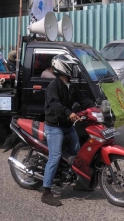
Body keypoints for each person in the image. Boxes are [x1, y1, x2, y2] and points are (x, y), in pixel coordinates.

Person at [41, 55, 82, 206]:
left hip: (68, 125)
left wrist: (97, 105)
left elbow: (82, 99)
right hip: (54, 126)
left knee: (78, 151)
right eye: (71, 67)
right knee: (55, 156)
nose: (74, 70)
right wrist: (68, 113)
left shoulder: (70, 85)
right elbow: (54, 104)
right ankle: (46, 192)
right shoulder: (54, 86)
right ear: (63, 68)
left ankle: (76, 179)